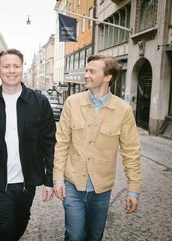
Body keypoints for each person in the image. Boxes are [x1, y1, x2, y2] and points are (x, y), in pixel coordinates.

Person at [53, 55, 141, 241]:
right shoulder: (72, 103)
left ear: (107, 77)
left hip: (101, 189)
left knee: (94, 236)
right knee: (74, 235)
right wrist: (58, 178)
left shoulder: (123, 110)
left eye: (92, 71)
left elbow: (131, 152)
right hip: (73, 184)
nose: (86, 75)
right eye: (86, 70)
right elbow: (61, 144)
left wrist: (133, 189)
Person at [0, 48, 56, 241]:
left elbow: (49, 143)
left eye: (16, 66)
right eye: (6, 66)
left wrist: (49, 179)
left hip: (26, 182)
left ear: (22, 68)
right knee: (4, 230)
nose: (11, 71)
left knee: (20, 222)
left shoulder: (40, 102)